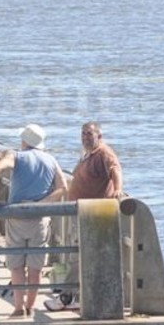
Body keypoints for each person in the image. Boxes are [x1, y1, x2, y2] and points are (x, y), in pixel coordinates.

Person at [0, 124, 66, 318]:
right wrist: (42, 204)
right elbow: (63, 187)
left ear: (24, 141)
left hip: (17, 217)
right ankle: (31, 306)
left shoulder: (17, 156)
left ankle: (18, 307)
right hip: (40, 219)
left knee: (16, 265)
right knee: (36, 267)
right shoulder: (50, 159)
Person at [45, 120, 124, 312]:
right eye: (83, 134)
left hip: (92, 214)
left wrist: (119, 189)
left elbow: (116, 170)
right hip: (80, 210)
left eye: (89, 134)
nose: (85, 138)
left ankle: (66, 297)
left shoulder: (104, 153)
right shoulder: (88, 153)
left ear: (99, 135)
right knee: (79, 254)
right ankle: (80, 297)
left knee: (78, 255)